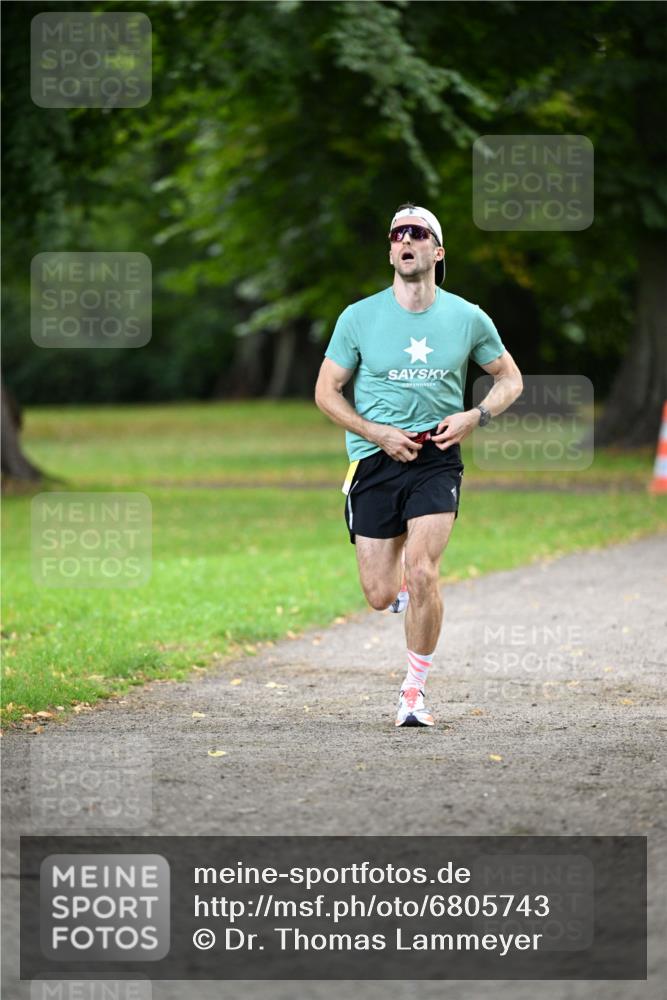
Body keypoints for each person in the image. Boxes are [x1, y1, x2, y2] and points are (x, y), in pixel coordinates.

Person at [315, 204, 523, 727]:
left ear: (437, 250)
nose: (406, 240)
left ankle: (413, 692)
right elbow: (325, 391)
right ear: (391, 250)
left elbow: (510, 380)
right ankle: (400, 583)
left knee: (424, 570)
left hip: (436, 458)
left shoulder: (467, 317)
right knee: (380, 593)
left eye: (418, 233)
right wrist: (374, 432)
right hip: (374, 459)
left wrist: (475, 417)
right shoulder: (358, 317)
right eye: (397, 234)